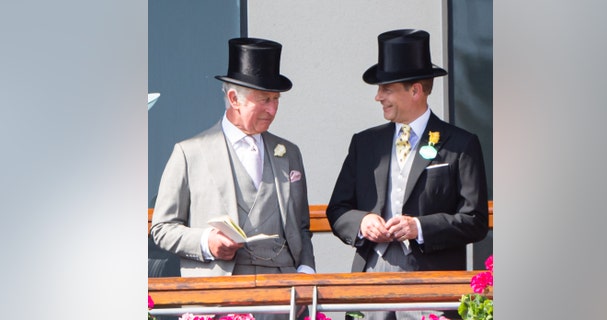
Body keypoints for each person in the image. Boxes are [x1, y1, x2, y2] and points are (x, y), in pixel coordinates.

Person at [326, 29, 489, 320]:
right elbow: (337, 209)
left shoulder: (461, 144)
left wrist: (420, 227)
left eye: (386, 89)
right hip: (370, 284)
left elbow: (475, 221)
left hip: (433, 289)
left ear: (415, 90)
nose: (378, 97)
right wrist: (362, 222)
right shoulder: (364, 144)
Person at [150, 37, 316, 320]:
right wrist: (206, 241)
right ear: (233, 98)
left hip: (284, 296)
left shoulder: (289, 153)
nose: (272, 109)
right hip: (220, 293)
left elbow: (301, 227)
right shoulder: (189, 153)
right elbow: (163, 228)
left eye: (276, 99)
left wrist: (305, 274)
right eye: (264, 99)